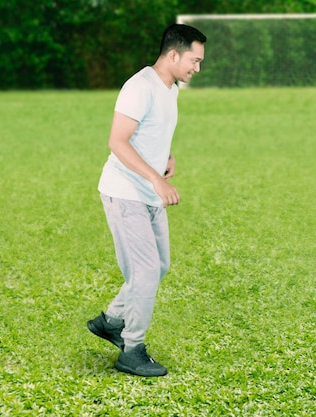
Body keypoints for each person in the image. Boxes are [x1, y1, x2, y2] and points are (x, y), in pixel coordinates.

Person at [87, 23, 207, 377]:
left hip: (146, 191)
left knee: (159, 266)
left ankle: (111, 321)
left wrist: (166, 156)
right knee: (144, 272)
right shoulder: (139, 88)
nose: (197, 68)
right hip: (126, 193)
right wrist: (156, 179)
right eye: (194, 60)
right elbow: (118, 141)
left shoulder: (170, 88)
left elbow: (154, 130)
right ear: (173, 54)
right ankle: (132, 349)